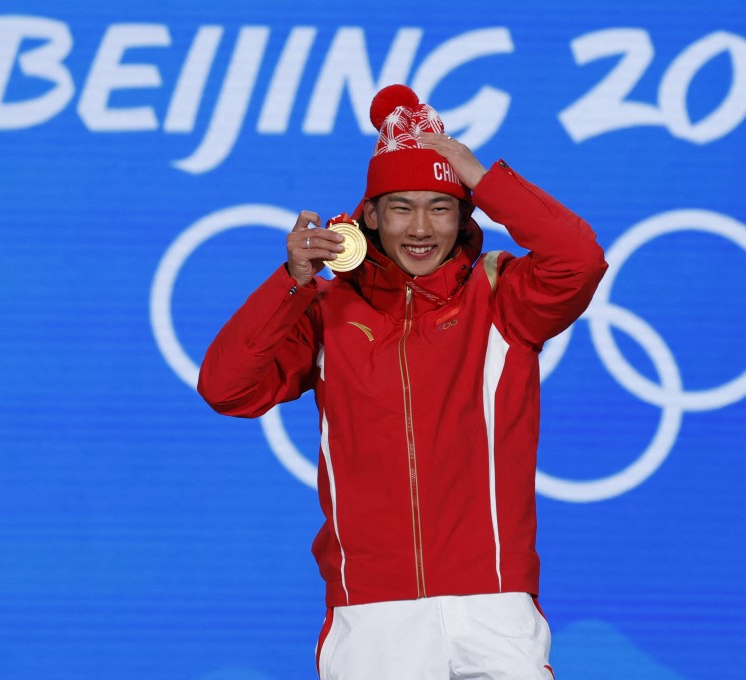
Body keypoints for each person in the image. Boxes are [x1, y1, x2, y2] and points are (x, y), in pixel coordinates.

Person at [197, 84, 607, 679]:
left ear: (465, 215)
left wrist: (482, 176)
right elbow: (227, 388)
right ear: (369, 215)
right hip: (372, 611)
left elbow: (580, 260)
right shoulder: (327, 309)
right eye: (401, 207)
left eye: (440, 206)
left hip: (492, 600)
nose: (421, 228)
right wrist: (292, 283)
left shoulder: (503, 295)